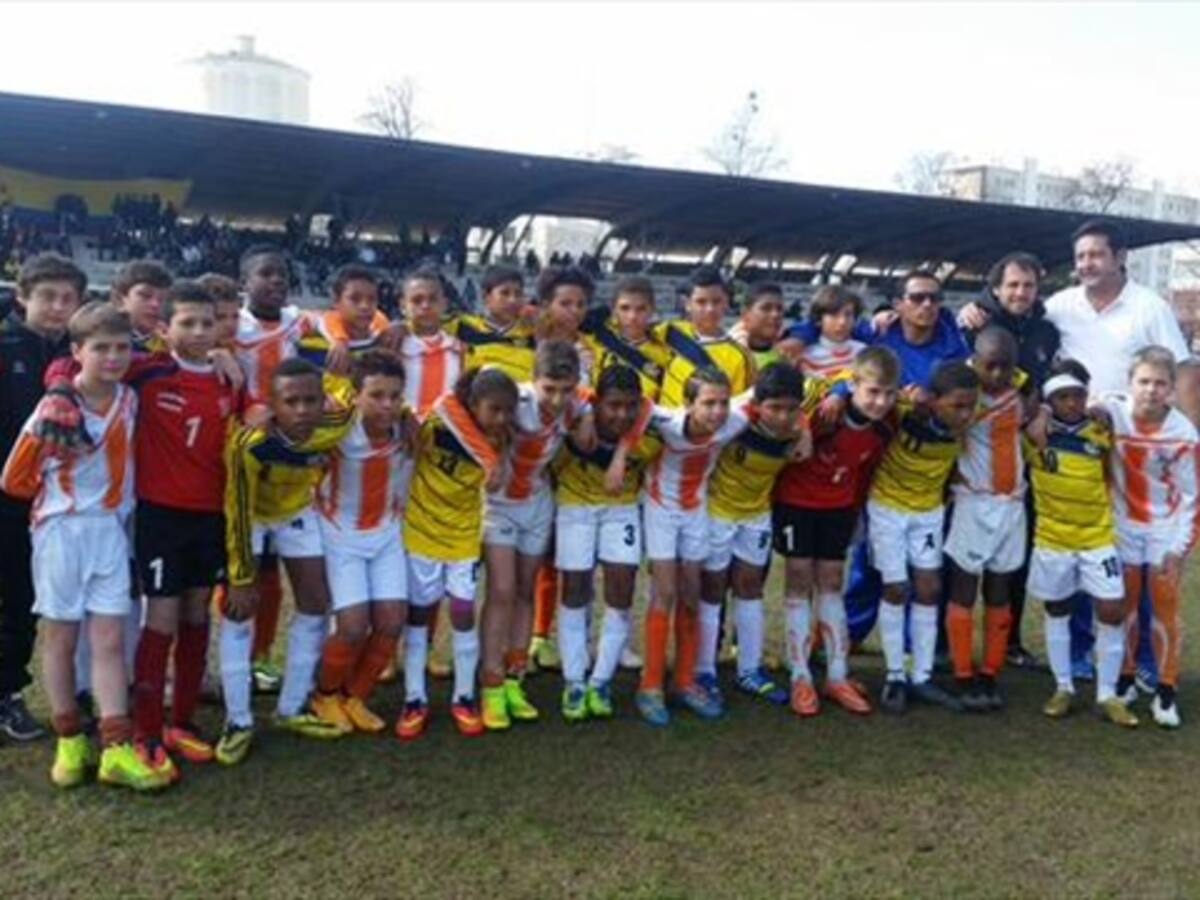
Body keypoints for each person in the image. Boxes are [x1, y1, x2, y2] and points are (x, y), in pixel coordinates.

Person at [1, 302, 165, 790]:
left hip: (110, 532)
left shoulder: (129, 399)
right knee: (61, 637)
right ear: (77, 353)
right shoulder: (55, 407)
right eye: (101, 349)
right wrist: (52, 472)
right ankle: (69, 739)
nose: (113, 358)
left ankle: (115, 747)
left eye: (121, 348)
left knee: (111, 638)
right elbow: (12, 479)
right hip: (62, 531)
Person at [217, 358, 354, 765]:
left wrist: (339, 380)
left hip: (297, 511)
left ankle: (291, 708)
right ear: (272, 403)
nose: (301, 410)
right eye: (290, 401)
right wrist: (241, 577)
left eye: (311, 400)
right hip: (252, 518)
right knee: (238, 609)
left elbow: (350, 395)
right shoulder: (251, 444)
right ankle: (238, 720)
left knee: (315, 601)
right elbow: (237, 511)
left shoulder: (335, 423)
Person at [772, 347, 900, 716]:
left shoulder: (885, 426)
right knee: (798, 581)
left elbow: (865, 470)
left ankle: (837, 675)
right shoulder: (825, 411)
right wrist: (835, 394)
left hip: (840, 509)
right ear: (855, 385)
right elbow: (802, 390)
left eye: (888, 393)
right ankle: (800, 677)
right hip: (797, 505)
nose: (880, 401)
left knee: (831, 582)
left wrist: (856, 511)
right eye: (872, 392)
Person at [399, 368, 516, 741]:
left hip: (463, 537)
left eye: (507, 411)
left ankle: (464, 697)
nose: (501, 419)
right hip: (421, 532)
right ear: (473, 406)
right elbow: (434, 407)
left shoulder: (501, 442)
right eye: (493, 410)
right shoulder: (437, 426)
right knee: (420, 615)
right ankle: (414, 698)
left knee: (463, 612)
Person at [480, 341, 589, 729]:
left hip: (538, 505)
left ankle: (514, 679)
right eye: (549, 389)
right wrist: (489, 457)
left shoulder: (578, 405)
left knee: (526, 589)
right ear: (534, 381)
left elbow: (598, 412)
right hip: (498, 505)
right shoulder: (516, 399)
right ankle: (490, 684)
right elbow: (460, 400)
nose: (558, 399)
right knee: (502, 591)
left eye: (566, 389)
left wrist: (588, 420)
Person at [634, 367, 751, 727]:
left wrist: (805, 432)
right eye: (708, 403)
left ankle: (685, 680)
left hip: (696, 511)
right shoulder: (666, 422)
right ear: (688, 404)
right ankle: (650, 685)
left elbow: (761, 396)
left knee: (691, 593)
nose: (717, 411)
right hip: (660, 511)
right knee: (664, 592)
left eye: (721, 403)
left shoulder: (733, 420)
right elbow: (623, 404)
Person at [0, 253, 84, 742]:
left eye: (67, 298)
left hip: (46, 503)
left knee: (22, 600)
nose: (57, 306)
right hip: (4, 494)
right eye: (47, 296)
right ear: (22, 297)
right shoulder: (6, 344)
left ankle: (8, 695)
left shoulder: (78, 355)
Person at [1024, 360, 1131, 726]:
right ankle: (1064, 686)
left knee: (1112, 608)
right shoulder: (1034, 435)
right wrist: (1037, 413)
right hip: (1053, 538)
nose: (1071, 403)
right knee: (1058, 608)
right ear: (1050, 400)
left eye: (1077, 396)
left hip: (1097, 536)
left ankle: (1107, 694)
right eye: (1062, 397)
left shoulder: (1101, 430)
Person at [310, 351, 411, 735]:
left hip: (387, 534)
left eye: (395, 396)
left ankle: (355, 696)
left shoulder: (408, 426)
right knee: (352, 626)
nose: (387, 405)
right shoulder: (337, 426)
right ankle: (325, 695)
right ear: (356, 395)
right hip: (340, 534)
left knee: (391, 620)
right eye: (377, 395)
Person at [870, 360, 979, 715]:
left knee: (930, 588)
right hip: (887, 508)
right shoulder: (904, 411)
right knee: (895, 588)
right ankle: (894, 675)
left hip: (929, 512)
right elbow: (857, 388)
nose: (965, 414)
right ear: (933, 400)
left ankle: (922, 675)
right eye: (957, 406)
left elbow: (1018, 384)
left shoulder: (968, 421)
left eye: (970, 406)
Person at [699, 363, 810, 710]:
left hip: (757, 515)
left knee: (750, 586)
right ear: (758, 404)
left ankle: (749, 669)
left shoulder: (795, 424)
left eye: (791, 409)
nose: (782, 417)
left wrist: (804, 429)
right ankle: (704, 670)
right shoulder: (734, 420)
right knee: (713, 587)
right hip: (717, 512)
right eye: (774, 408)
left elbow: (835, 382)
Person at [552, 365, 658, 721]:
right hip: (575, 507)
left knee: (622, 586)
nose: (621, 414)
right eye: (613, 405)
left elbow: (660, 411)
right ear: (597, 402)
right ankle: (574, 679)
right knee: (575, 587)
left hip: (621, 510)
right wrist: (582, 413)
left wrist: (624, 449)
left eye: (630, 406)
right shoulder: (573, 419)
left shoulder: (650, 432)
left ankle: (601, 680)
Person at [1102, 347, 1198, 728]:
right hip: (1123, 525)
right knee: (1125, 603)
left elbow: (1193, 496)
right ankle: (1125, 678)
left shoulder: (1183, 433)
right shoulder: (1111, 412)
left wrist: (1179, 547)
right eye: (1144, 381)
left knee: (1164, 607)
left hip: (1164, 529)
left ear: (1172, 390)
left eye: (1160, 383)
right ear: (1130, 384)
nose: (1151, 390)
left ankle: (1166, 689)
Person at [943, 328, 1036, 711]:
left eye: (1005, 367)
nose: (997, 374)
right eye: (989, 366)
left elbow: (1034, 400)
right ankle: (963, 674)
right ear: (974, 360)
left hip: (1012, 503)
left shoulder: (1023, 390)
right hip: (972, 501)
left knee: (1000, 588)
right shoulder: (962, 391)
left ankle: (990, 673)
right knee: (964, 586)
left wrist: (1041, 407)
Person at [653, 265, 756, 408]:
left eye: (716, 301)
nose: (710, 309)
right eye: (701, 302)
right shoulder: (669, 334)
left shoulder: (740, 356)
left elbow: (738, 407)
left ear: (726, 303)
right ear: (687, 304)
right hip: (662, 426)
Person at [445, 264, 537, 382]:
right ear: (485, 297)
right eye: (505, 293)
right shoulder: (462, 326)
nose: (512, 300)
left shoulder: (532, 335)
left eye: (518, 294)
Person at [796, 285, 868, 380]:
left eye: (848, 314)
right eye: (834, 315)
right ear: (819, 319)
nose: (842, 322)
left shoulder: (864, 353)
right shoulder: (807, 357)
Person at [110, 259, 172, 354]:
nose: (155, 304)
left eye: (163, 299)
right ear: (121, 298)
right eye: (145, 295)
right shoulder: (103, 339)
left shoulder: (172, 345)